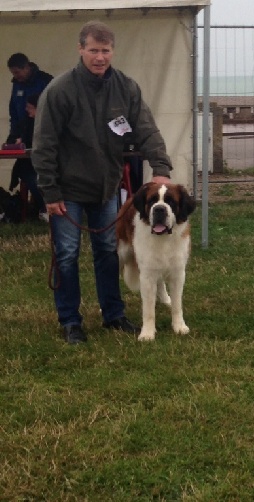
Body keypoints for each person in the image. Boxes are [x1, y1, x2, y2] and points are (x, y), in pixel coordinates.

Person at [32, 20, 173, 345]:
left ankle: (113, 315)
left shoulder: (125, 88)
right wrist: (50, 192)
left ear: (112, 51)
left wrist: (161, 167)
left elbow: (146, 129)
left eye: (105, 50)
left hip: (106, 189)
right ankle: (70, 321)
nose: (99, 57)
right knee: (66, 255)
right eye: (93, 50)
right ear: (81, 49)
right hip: (66, 192)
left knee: (108, 251)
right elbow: (44, 145)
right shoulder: (59, 90)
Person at [5, 93, 48, 222]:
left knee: (47, 177)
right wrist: (16, 141)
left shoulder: (48, 123)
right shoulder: (25, 122)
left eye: (30, 107)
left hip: (46, 163)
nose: (27, 110)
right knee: (34, 180)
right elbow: (10, 140)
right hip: (26, 164)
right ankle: (45, 209)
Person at [6, 53, 53, 143]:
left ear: (26, 67)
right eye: (12, 73)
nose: (15, 76)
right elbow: (13, 111)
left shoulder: (45, 80)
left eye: (17, 72)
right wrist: (14, 133)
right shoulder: (17, 84)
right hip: (22, 132)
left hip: (41, 132)